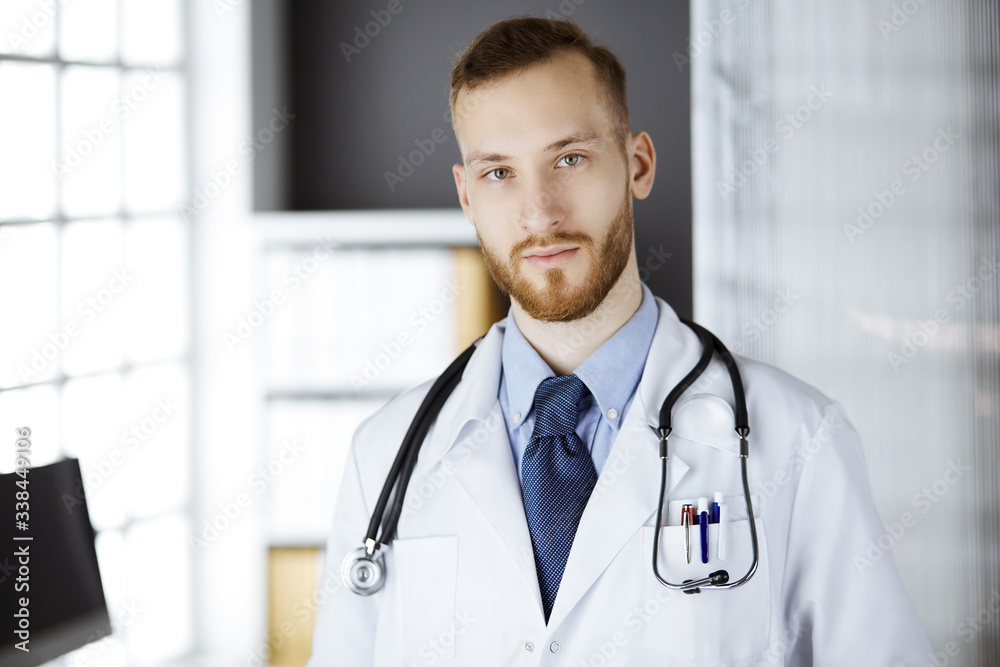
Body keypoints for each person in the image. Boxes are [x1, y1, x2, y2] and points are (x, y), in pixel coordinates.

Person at [308, 16, 932, 666]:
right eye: (499, 174)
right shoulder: (384, 456)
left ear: (637, 164)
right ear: (467, 195)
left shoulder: (799, 441)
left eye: (569, 158)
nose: (539, 212)